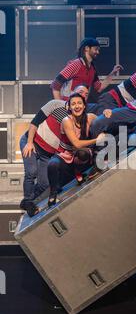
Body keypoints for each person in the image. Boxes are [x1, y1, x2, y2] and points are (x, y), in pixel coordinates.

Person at [19, 85, 90, 217]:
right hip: (32, 143)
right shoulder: (55, 105)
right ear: (72, 95)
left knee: (44, 184)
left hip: (47, 154)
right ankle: (29, 203)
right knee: (31, 171)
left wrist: (107, 112)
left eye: (86, 94)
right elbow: (34, 122)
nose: (83, 95)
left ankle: (26, 200)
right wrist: (29, 143)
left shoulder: (80, 118)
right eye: (80, 92)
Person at [47, 92, 104, 207]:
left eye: (79, 103)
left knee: (82, 153)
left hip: (83, 155)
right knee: (52, 164)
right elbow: (77, 144)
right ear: (69, 107)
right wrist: (96, 140)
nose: (77, 106)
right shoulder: (66, 120)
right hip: (67, 154)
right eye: (73, 104)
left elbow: (103, 124)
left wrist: (107, 114)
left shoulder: (91, 117)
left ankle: (79, 172)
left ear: (84, 105)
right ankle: (53, 194)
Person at [51, 37, 123, 101]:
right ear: (87, 48)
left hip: (81, 105)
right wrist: (59, 105)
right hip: (68, 103)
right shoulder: (76, 64)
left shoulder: (92, 69)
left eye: (98, 50)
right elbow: (56, 84)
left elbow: (99, 87)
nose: (98, 52)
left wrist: (113, 73)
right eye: (96, 49)